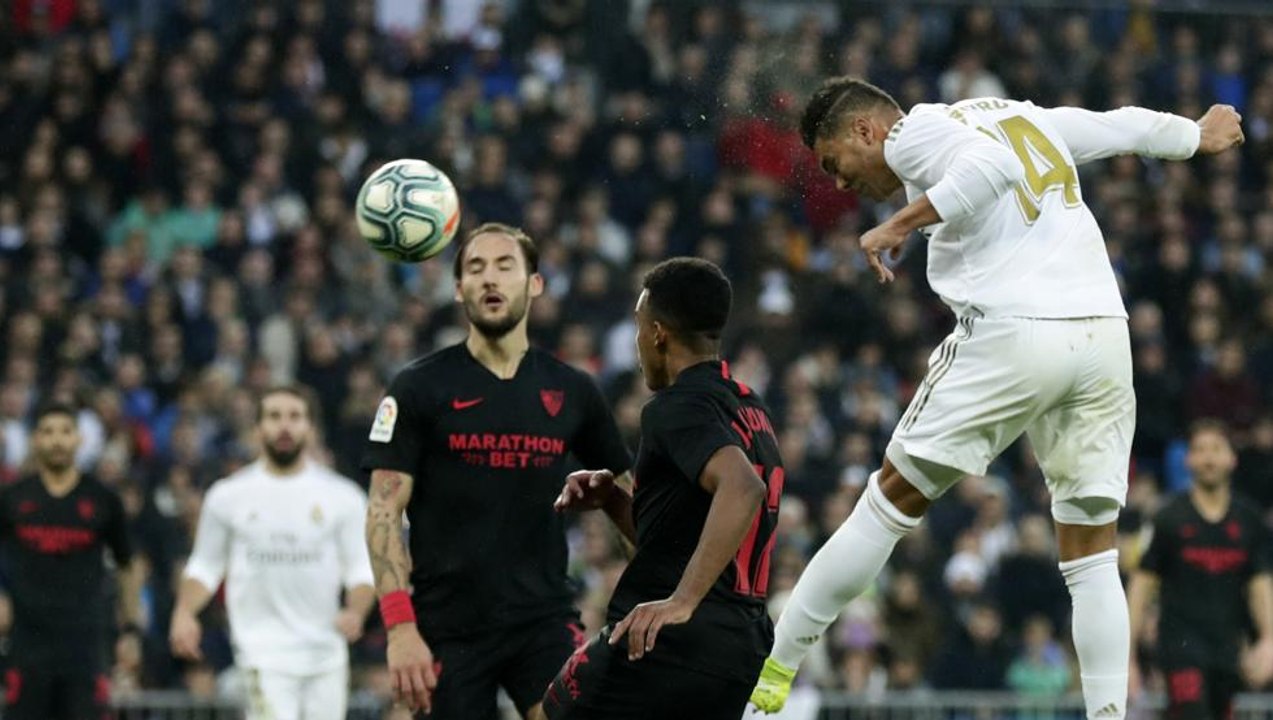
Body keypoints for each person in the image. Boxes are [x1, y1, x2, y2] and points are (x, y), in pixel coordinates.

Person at [749, 76, 1246, 720]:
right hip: (1101, 333)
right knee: (1092, 553)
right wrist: (1191, 135)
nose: (841, 184)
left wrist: (896, 224)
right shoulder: (1019, 114)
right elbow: (1112, 124)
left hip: (1015, 329)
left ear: (864, 131)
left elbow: (993, 167)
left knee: (884, 505)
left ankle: (768, 686)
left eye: (834, 164)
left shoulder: (913, 132)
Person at [362, 222, 632, 720]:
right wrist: (400, 629)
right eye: (476, 268)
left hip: (543, 621)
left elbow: (628, 500)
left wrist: (661, 600)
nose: (490, 279)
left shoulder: (573, 390)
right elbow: (382, 512)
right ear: (459, 288)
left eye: (505, 266)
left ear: (535, 283)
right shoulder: (419, 386)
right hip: (446, 629)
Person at [542, 257, 785, 720]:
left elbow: (742, 488)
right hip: (740, 645)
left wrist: (682, 601)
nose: (636, 345)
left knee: (556, 706)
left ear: (657, 333)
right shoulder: (751, 410)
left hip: (673, 640)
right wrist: (614, 501)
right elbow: (677, 541)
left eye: (638, 327)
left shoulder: (676, 407)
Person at [169, 386, 375, 720]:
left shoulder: (344, 497)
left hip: (326, 653)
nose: (284, 426)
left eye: (295, 417)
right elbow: (205, 566)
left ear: (309, 428)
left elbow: (361, 572)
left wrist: (356, 610)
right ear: (257, 429)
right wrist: (184, 612)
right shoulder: (228, 496)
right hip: (261, 653)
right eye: (274, 417)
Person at [0, 401, 143, 720]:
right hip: (27, 645)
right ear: (35, 440)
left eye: (66, 431)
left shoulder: (103, 500)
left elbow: (127, 565)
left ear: (79, 439)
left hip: (85, 646)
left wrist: (131, 629)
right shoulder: (12, 499)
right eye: (48, 432)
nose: (57, 440)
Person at [1128, 420, 1273, 719]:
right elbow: (1141, 587)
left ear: (1232, 458)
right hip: (1179, 647)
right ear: (1188, 459)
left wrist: (1270, 639)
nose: (1208, 458)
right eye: (1200, 450)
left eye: (1216, 449)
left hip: (1227, 651)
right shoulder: (1168, 518)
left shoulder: (1249, 521)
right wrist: (1127, 658)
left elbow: (1260, 584)